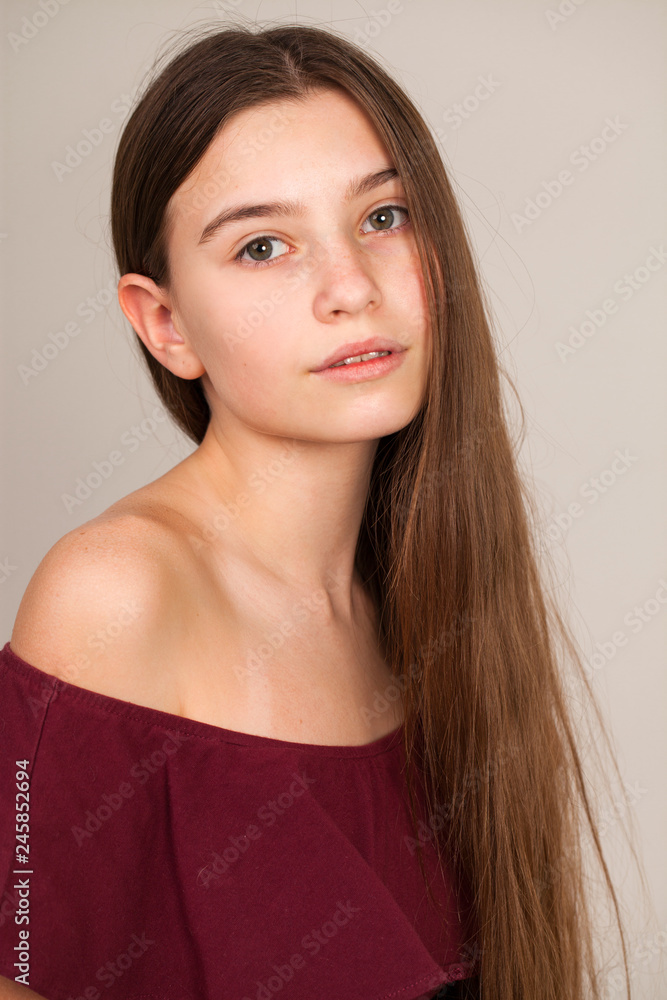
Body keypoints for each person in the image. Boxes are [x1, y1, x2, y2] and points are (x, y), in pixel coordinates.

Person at [0, 21, 634, 1000]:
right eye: (263, 246)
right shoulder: (114, 596)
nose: (351, 288)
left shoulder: (430, 597)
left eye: (384, 217)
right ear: (164, 325)